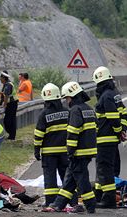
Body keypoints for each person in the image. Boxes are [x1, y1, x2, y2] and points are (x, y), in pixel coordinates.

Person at [46, 81, 97, 214]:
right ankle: (58, 204)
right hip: (88, 150)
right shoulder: (88, 108)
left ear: (72, 97)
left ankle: (91, 205)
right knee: (69, 179)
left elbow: (73, 132)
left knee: (82, 180)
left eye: (67, 98)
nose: (66, 101)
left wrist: (70, 151)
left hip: (78, 152)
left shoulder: (75, 110)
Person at [92, 66, 127, 208]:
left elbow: (112, 116)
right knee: (106, 168)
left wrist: (119, 130)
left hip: (105, 138)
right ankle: (100, 195)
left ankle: (109, 200)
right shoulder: (114, 94)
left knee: (104, 169)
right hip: (112, 139)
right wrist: (123, 129)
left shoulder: (106, 96)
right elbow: (123, 114)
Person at [34, 83, 70, 207]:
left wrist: (36, 150)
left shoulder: (44, 114)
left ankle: (50, 202)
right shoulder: (67, 111)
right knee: (67, 177)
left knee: (50, 178)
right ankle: (71, 201)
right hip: (65, 151)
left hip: (49, 153)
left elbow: (39, 134)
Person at [0, 71, 18, 140]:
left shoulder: (8, 85)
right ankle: (11, 136)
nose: (0, 79)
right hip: (12, 103)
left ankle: (11, 135)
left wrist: (4, 105)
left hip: (11, 104)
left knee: (8, 121)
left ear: (4, 78)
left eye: (0, 78)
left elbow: (6, 96)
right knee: (11, 120)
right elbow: (5, 94)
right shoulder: (7, 84)